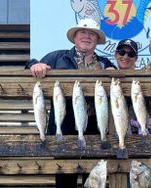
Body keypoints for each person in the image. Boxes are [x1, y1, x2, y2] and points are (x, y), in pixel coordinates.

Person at [26, 18, 116, 188]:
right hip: (63, 130)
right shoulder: (57, 57)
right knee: (65, 181)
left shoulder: (105, 64)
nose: (87, 36)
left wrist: (114, 72)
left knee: (94, 181)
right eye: (83, 32)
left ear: (97, 41)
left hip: (94, 132)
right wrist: (35, 65)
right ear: (75, 37)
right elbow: (30, 64)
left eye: (92, 34)